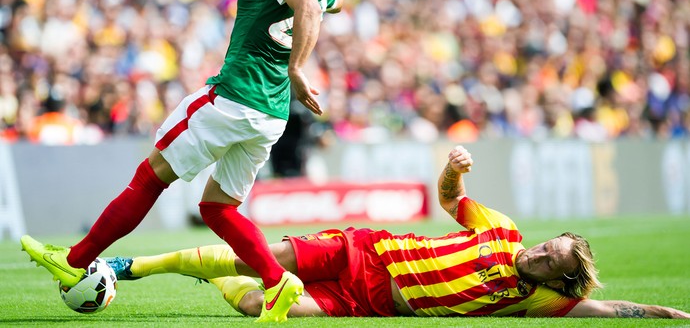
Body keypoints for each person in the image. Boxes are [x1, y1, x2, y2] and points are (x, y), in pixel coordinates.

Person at [20, 0, 343, 323]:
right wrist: (307, 7)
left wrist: (298, 66)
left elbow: (306, 5)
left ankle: (75, 260)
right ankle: (276, 279)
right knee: (217, 208)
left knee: (149, 178)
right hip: (271, 114)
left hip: (234, 97)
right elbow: (330, 2)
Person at [103, 145, 689, 319]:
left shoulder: (532, 300)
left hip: (374, 300)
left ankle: (216, 284)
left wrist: (673, 316)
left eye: (549, 258)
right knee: (253, 256)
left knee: (258, 300)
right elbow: (449, 199)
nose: (538, 253)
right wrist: (454, 170)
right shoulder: (502, 231)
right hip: (369, 248)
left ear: (559, 279)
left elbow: (611, 311)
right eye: (548, 243)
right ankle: (135, 266)